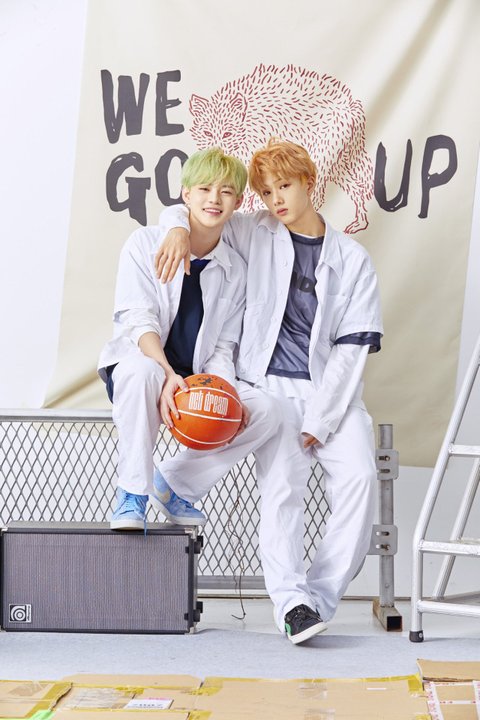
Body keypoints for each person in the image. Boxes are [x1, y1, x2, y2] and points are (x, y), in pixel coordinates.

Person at [155, 139, 383, 645]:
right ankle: (291, 604)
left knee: (361, 480)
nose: (276, 199)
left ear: (309, 183)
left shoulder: (353, 259)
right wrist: (176, 227)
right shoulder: (254, 231)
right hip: (270, 387)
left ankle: (316, 599)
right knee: (283, 492)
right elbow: (199, 212)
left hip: (332, 394)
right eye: (265, 191)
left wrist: (321, 419)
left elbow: (351, 352)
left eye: (285, 186)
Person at [97, 147, 279, 532]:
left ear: (238, 202)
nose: (214, 199)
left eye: (226, 192)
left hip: (194, 377)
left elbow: (222, 347)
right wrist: (166, 373)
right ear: (186, 195)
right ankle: (133, 493)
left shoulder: (235, 269)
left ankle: (173, 482)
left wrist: (227, 392)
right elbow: (139, 320)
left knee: (265, 410)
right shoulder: (144, 244)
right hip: (143, 362)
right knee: (143, 373)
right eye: (204, 189)